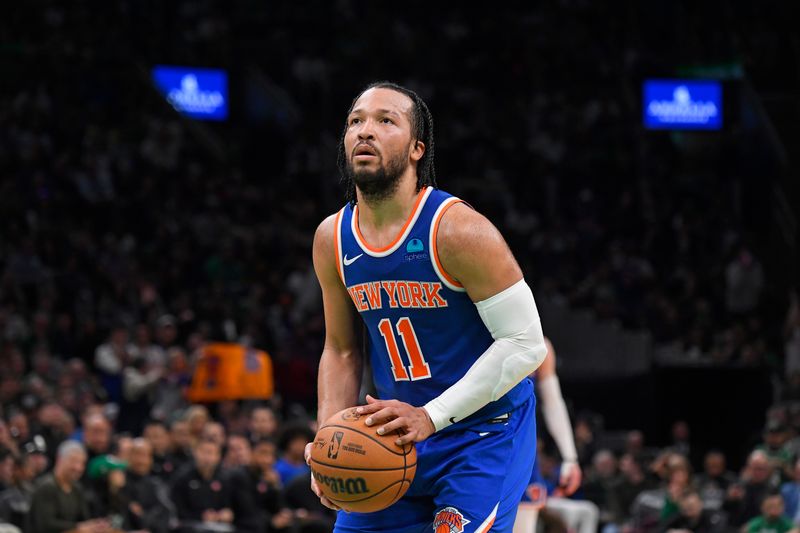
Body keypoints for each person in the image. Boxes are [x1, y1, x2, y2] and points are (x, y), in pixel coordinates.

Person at [306, 81, 548, 532]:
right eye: (355, 121)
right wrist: (329, 438)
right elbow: (340, 350)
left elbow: (525, 344)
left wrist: (430, 416)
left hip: (481, 434)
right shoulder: (331, 239)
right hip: (392, 437)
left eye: (385, 121)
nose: (365, 131)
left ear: (417, 149)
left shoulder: (458, 231)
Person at [515, 338, 586, 533]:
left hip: (521, 453)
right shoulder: (475, 334)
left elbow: (553, 402)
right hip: (479, 447)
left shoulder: (540, 345)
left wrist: (570, 458)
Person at [29, 441, 111, 533]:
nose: (78, 468)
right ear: (59, 459)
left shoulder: (77, 488)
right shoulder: (46, 487)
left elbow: (84, 519)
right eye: (74, 461)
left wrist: (94, 525)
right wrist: (78, 527)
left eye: (82, 463)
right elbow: (45, 525)